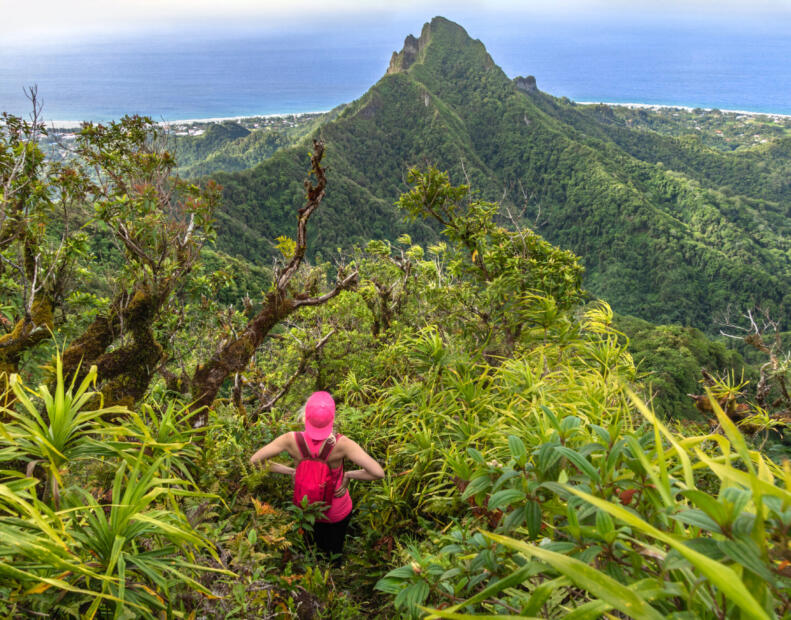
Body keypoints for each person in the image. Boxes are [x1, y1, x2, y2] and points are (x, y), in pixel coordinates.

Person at [249, 391, 384, 562]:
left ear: (305, 416)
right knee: (334, 551)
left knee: (311, 552)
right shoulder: (343, 444)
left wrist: (291, 471)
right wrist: (348, 475)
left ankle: (313, 576)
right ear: (332, 419)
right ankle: (333, 577)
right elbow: (378, 473)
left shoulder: (290, 440)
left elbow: (254, 461)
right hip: (337, 511)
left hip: (305, 509)